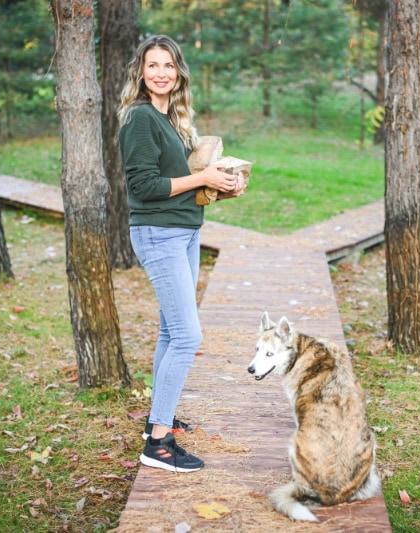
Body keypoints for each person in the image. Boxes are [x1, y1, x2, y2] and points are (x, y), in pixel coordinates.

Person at [117, 34, 243, 473]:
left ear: (178, 72)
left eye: (168, 65)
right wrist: (202, 175)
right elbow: (144, 188)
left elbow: (179, 180)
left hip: (184, 231)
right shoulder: (139, 119)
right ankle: (157, 444)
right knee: (188, 336)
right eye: (153, 65)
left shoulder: (168, 117)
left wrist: (219, 182)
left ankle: (160, 418)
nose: (161, 73)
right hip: (159, 234)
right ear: (141, 72)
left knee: (172, 332)